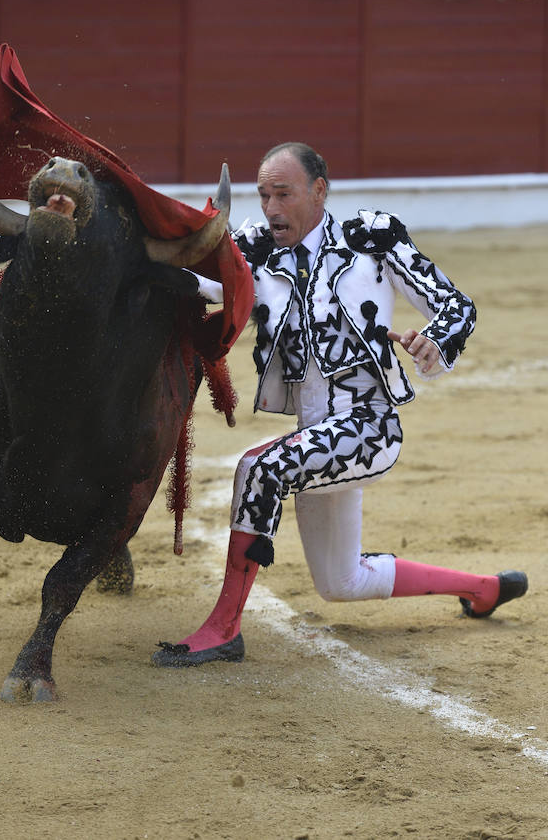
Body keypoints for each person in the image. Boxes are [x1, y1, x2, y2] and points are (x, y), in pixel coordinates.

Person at [152, 141, 528, 667]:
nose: (271, 208)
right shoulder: (256, 250)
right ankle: (482, 588)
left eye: (283, 194)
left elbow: (454, 305)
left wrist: (435, 341)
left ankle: (223, 629)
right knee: (341, 581)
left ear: (320, 191)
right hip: (315, 431)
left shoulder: (371, 239)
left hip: (368, 426)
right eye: (263, 196)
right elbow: (205, 285)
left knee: (260, 469)